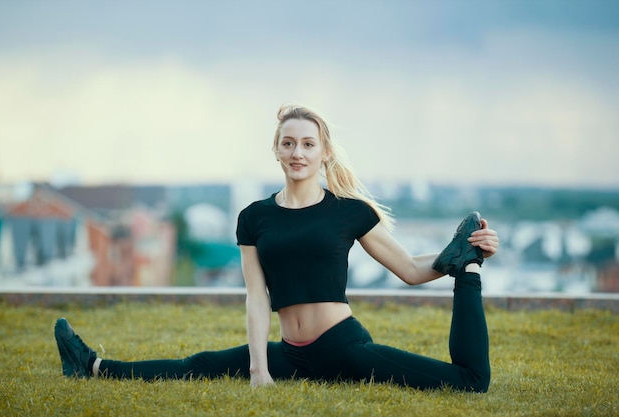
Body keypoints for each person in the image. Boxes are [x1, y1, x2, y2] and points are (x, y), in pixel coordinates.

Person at [54, 104, 499, 392]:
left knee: (467, 382)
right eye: (289, 143)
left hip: (343, 347)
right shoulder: (254, 217)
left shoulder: (349, 211)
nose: (297, 152)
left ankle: (470, 269)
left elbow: (410, 269)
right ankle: (91, 366)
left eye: (308, 144)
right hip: (290, 352)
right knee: (202, 363)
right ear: (277, 150)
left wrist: (457, 256)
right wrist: (258, 369)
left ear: (323, 153)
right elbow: (255, 296)